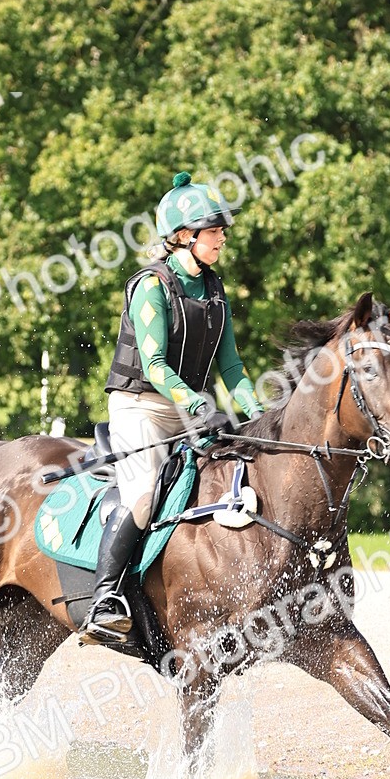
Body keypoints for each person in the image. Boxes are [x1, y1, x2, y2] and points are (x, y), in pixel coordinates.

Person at [79, 171, 263, 647]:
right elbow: (156, 365)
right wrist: (199, 403)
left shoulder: (216, 291)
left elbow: (232, 367)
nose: (222, 238)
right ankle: (104, 600)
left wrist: (259, 412)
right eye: (213, 230)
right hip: (141, 405)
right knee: (143, 493)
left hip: (188, 411)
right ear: (183, 236)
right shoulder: (151, 286)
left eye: (221, 230)